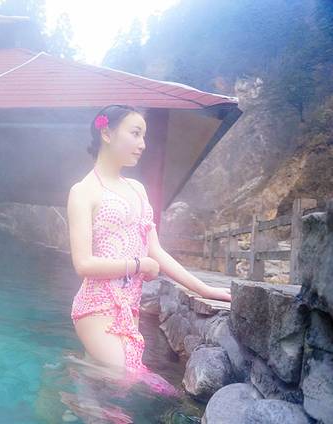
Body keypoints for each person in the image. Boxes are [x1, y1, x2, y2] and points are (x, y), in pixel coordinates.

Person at [67, 104, 231, 390]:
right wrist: (138, 265)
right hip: (96, 307)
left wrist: (204, 289)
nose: (142, 144)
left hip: (129, 308)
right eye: (135, 134)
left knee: (111, 386)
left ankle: (78, 387)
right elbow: (83, 264)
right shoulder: (83, 191)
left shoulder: (137, 190)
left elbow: (156, 250)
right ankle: (76, 383)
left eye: (144, 136)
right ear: (107, 133)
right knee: (128, 383)